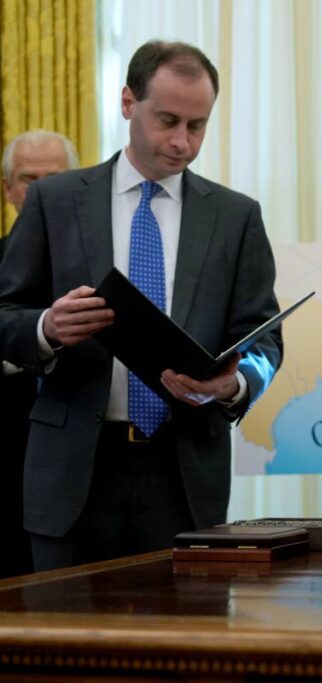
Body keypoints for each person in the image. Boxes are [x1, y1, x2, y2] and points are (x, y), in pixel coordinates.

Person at [0, 40, 283, 570]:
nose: (181, 142)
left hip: (184, 475)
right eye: (168, 120)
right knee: (66, 647)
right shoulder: (54, 201)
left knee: (184, 648)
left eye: (196, 126)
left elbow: (265, 339)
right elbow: (4, 316)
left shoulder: (235, 217)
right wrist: (47, 327)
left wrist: (235, 382)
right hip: (72, 475)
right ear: (128, 102)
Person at [0, 129, 80, 578]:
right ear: (8, 188)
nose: (42, 191)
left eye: (54, 178)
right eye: (29, 179)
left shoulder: (98, 265)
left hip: (84, 469)